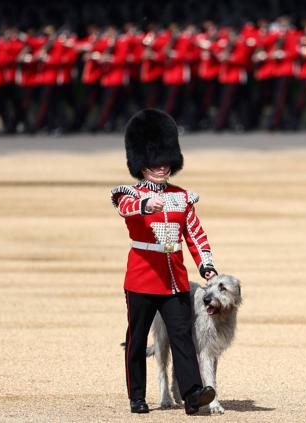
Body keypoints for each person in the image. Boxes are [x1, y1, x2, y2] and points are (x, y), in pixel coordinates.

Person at [110, 109, 217, 415]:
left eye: (166, 162)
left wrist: (206, 264)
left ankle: (192, 393)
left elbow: (195, 233)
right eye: (155, 163)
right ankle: (137, 396)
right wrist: (145, 204)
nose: (162, 167)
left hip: (174, 279)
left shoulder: (182, 197)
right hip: (143, 278)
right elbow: (127, 208)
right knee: (137, 339)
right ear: (142, 165)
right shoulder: (129, 193)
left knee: (182, 337)